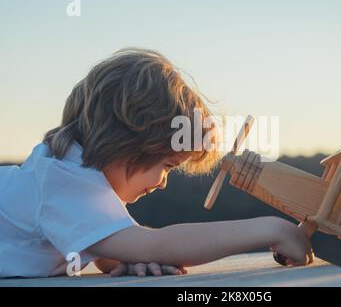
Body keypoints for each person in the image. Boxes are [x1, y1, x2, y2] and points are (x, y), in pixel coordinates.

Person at [0, 48, 314, 278]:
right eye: (167, 165)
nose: (163, 182)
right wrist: (270, 229)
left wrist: (124, 257)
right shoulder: (62, 179)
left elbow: (113, 245)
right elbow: (152, 245)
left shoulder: (69, 176)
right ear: (126, 141)